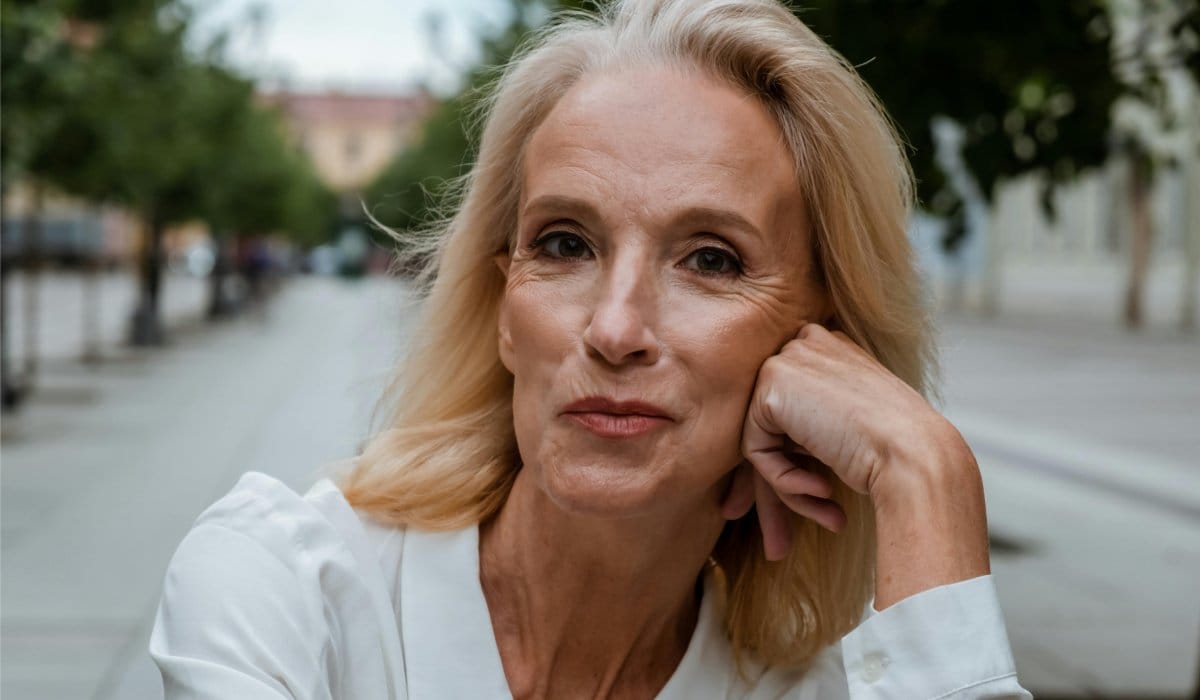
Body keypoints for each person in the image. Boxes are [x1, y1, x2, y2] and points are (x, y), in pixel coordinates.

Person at [150, 0, 1033, 697]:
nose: (613, 329)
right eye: (566, 244)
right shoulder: (285, 596)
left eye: (711, 260)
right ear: (504, 307)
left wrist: (926, 475)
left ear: (821, 346)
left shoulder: (808, 688)